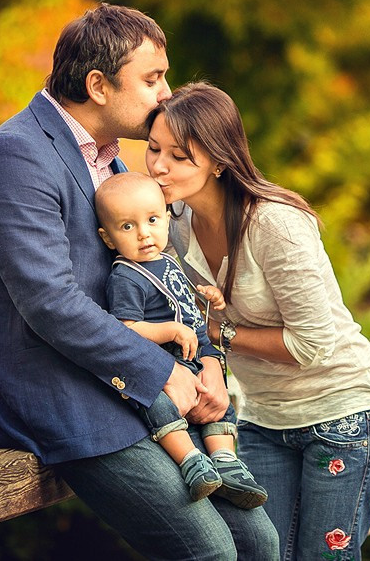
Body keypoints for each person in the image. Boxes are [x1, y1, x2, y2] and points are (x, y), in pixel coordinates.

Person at [0, 4, 278, 560]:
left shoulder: (114, 162)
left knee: (258, 540)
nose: (167, 93)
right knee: (210, 552)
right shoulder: (15, 156)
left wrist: (203, 360)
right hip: (59, 395)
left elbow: (155, 278)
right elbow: (50, 303)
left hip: (127, 388)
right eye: (153, 78)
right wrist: (160, 373)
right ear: (98, 85)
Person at [144, 82, 370, 560]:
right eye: (154, 149)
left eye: (179, 156)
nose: (158, 165)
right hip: (262, 419)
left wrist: (215, 331)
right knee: (259, 552)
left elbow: (312, 343)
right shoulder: (169, 225)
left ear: (218, 160)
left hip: (341, 415)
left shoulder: (274, 223)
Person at [95, 170, 268, 508]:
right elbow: (126, 328)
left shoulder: (167, 260)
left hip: (192, 355)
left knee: (221, 406)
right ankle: (192, 462)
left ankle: (226, 463)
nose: (145, 234)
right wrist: (170, 332)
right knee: (158, 407)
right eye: (128, 227)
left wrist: (209, 299)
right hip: (163, 364)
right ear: (108, 238)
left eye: (153, 220)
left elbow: (179, 303)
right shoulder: (126, 276)